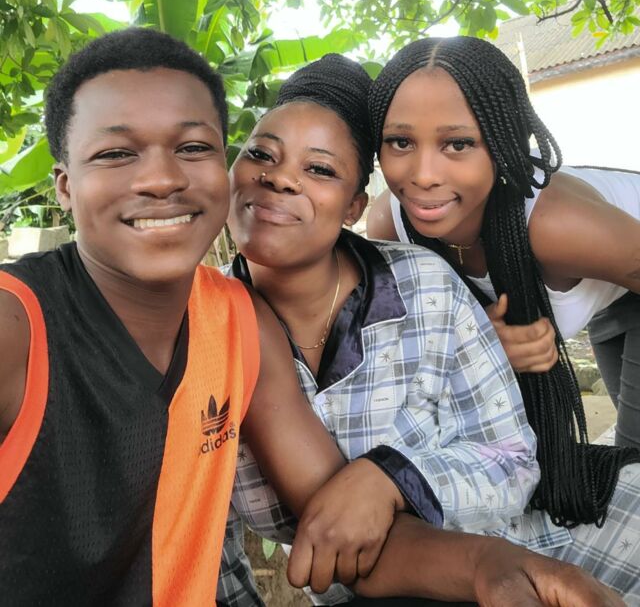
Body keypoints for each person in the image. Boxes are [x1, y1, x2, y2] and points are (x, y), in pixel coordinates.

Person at [0, 30, 616, 607]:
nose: (161, 178)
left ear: (353, 204)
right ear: (64, 185)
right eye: (115, 153)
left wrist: (480, 557)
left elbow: (333, 518)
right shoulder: (21, 322)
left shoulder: (238, 323)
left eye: (192, 148)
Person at [217, 54, 639, 606]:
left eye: (319, 168)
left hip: (535, 529)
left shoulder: (432, 281)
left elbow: (510, 458)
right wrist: (491, 346)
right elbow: (197, 546)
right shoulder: (206, 331)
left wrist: (395, 477)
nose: (279, 177)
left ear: (352, 205)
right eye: (260, 153)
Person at [366, 36, 640, 526]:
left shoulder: (556, 226)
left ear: (503, 143)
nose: (423, 175)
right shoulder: (391, 226)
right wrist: (479, 351)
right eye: (401, 142)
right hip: (605, 293)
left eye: (458, 144)